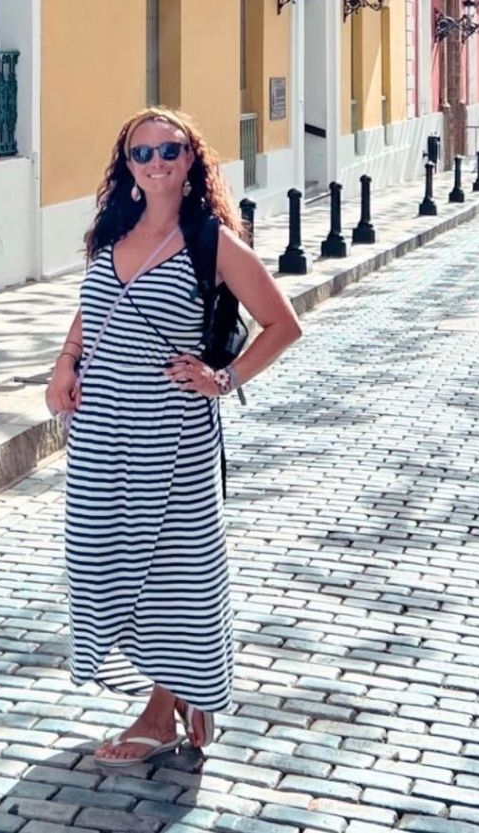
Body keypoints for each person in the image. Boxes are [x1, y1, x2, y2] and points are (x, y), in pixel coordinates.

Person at [46, 107, 303, 767]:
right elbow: (94, 308)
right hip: (102, 429)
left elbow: (283, 323)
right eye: (142, 153)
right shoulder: (111, 232)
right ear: (126, 166)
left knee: (174, 572)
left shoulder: (211, 242)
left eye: (170, 150)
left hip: (172, 432)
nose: (156, 162)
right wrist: (64, 363)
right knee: (96, 554)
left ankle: (164, 708)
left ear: (192, 160)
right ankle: (187, 687)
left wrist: (223, 379)